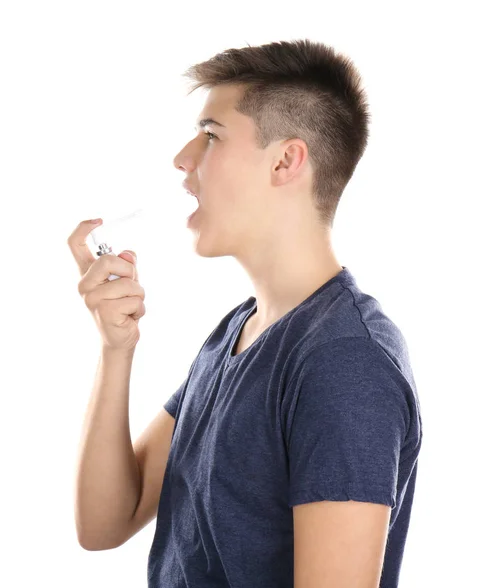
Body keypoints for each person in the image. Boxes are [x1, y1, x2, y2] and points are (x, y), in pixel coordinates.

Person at [71, 38, 422, 588]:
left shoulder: (345, 364)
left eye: (211, 135)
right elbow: (104, 523)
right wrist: (116, 349)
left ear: (285, 160)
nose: (184, 158)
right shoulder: (237, 330)